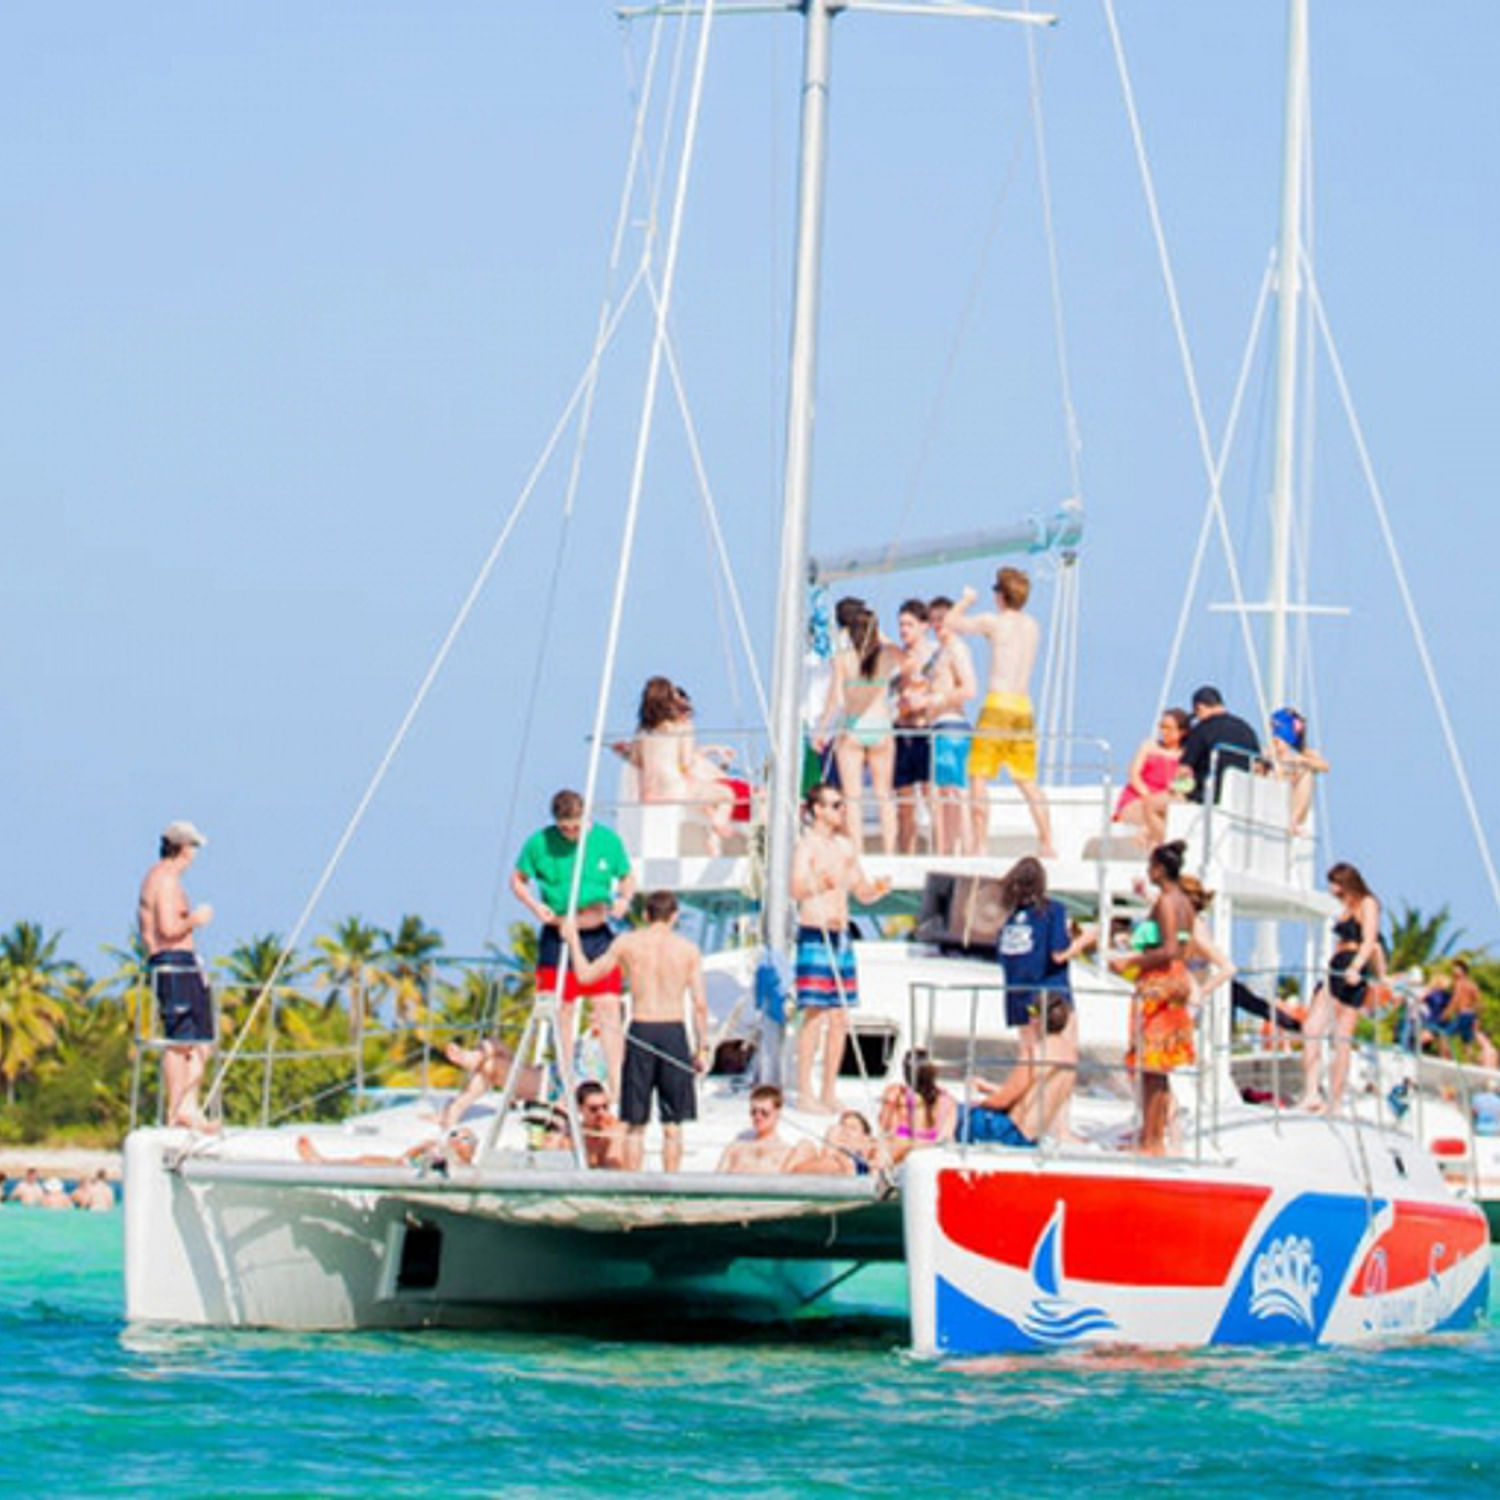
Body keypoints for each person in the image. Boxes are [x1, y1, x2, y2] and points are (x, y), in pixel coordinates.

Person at [563, 889, 709, 1172]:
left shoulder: (628, 943)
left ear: (645, 915)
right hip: (673, 1030)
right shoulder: (687, 950)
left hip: (642, 1028)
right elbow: (700, 1004)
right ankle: (672, 1183)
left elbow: (585, 975)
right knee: (673, 1124)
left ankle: (633, 1181)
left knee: (635, 1123)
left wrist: (573, 943)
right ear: (675, 917)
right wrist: (703, 1047)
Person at [511, 789, 636, 1090]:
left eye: (576, 827)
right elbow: (518, 879)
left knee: (607, 1006)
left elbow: (627, 877)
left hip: (597, 934)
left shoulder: (606, 840)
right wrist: (535, 906)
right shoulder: (540, 843)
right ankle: (565, 1082)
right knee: (561, 1009)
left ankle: (618, 1084)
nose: (571, 833)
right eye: (565, 828)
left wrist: (624, 899)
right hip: (558, 933)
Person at [791, 783, 892, 1111]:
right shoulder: (807, 845)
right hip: (815, 932)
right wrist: (819, 882)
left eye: (842, 805)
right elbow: (795, 887)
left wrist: (876, 889)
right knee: (814, 1014)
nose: (841, 811)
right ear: (817, 809)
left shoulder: (846, 847)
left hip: (841, 934)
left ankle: (828, 1090)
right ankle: (805, 1090)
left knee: (840, 1018)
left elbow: (860, 889)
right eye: (835, 805)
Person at [945, 568, 1054, 858]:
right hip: (1022, 707)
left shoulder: (994, 621)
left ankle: (980, 844)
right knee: (1027, 780)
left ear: (1000, 596)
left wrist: (966, 600)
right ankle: (1047, 841)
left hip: (997, 706)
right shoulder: (1033, 626)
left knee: (978, 776)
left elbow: (950, 622)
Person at [1113, 840, 1196, 1155]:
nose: (1148, 872)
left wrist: (1130, 961)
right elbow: (1184, 950)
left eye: (1150, 866)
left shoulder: (1166, 902)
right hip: (1175, 980)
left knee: (1152, 1068)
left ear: (1160, 869)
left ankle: (1151, 1141)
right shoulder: (1184, 902)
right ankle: (1152, 1138)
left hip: (1160, 983)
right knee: (1157, 1069)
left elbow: (1171, 949)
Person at [138, 819, 217, 1131]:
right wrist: (196, 920)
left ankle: (190, 1107)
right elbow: (168, 929)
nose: (195, 855)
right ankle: (176, 1111)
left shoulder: (165, 878)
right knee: (181, 1039)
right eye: (194, 847)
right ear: (184, 848)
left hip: (184, 961)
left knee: (202, 1040)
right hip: (172, 959)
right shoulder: (165, 880)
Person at [1297, 861, 1386, 1113]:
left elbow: (1370, 941)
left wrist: (1357, 967)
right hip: (1337, 966)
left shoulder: (1367, 903)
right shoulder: (1346, 906)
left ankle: (1333, 1100)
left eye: (1335, 883)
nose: (1332, 889)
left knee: (1338, 1037)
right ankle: (1313, 1092)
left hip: (1350, 966)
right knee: (1314, 1028)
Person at [815, 606, 902, 855]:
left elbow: (833, 700)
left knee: (852, 798)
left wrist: (822, 730)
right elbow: (908, 660)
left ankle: (857, 850)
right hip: (880, 726)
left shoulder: (843, 658)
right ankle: (889, 851)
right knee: (884, 795)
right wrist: (881, 635)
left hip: (853, 727)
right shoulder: (885, 657)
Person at [993, 857, 1086, 1057]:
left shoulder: (1009, 920)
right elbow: (1058, 954)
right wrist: (1086, 940)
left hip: (1018, 999)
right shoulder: (1053, 911)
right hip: (1051, 999)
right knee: (1064, 1058)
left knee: (1029, 1061)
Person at [632, 677, 737, 851]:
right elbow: (686, 763)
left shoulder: (642, 731)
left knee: (704, 802)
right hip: (673, 790)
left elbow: (637, 759)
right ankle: (718, 827)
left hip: (649, 793)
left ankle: (714, 834)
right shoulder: (682, 726)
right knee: (726, 795)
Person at [958, 994, 1077, 1146]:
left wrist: (979, 1104)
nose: (1029, 1018)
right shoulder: (1070, 1055)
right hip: (1032, 1138)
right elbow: (1027, 1094)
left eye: (1032, 1012)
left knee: (952, 1111)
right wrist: (987, 1087)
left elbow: (1003, 1100)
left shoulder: (1035, 1052)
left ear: (1038, 1019)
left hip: (1012, 1132)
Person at [927, 595, 978, 855]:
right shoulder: (939, 652)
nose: (937, 625)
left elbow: (969, 689)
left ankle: (966, 851)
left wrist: (938, 698)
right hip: (939, 726)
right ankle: (946, 851)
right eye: (933, 619)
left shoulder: (957, 649)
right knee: (944, 794)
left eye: (942, 619)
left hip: (952, 726)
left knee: (955, 793)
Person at [891, 599, 936, 853]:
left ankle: (941, 852)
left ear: (923, 626)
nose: (904, 630)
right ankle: (904, 853)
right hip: (901, 732)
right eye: (901, 624)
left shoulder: (933, 656)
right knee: (904, 805)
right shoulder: (898, 658)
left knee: (931, 798)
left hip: (924, 731)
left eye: (909, 624)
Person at [1113, 708, 1191, 849]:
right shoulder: (1149, 746)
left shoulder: (1186, 755)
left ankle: (1151, 840)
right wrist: (1148, 796)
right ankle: (1165, 850)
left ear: (1182, 731)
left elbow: (1184, 784)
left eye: (1168, 728)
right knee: (1155, 815)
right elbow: (1133, 774)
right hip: (1139, 798)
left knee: (1170, 812)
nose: (1163, 732)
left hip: (1165, 801)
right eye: (1162, 727)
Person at [438, 1038, 545, 1132]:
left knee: (492, 1066)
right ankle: (475, 1058)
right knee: (494, 1043)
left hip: (553, 1086)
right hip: (544, 1073)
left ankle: (457, 1106)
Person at [1178, 686, 1261, 804]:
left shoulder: (1201, 730)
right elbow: (1258, 766)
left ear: (1199, 708)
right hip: (1242, 798)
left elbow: (1184, 770)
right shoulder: (1246, 729)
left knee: (1151, 806)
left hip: (1208, 796)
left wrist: (1176, 787)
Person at [878, 1050, 957, 1164]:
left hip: (900, 1155)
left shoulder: (896, 1094)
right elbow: (946, 1138)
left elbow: (885, 1127)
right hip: (930, 1157)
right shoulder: (947, 1100)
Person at [1267, 706, 1329, 836]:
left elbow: (1324, 766)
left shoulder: (1303, 753)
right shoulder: (1272, 749)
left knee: (1306, 772)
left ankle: (1294, 821)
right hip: (1274, 784)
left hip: (1289, 787)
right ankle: (1292, 821)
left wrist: (1301, 761)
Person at [297, 1127, 478, 1170]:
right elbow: (406, 1158)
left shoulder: (464, 1167)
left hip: (407, 1170)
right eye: (454, 1135)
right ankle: (323, 1162)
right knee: (364, 1159)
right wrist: (421, 1147)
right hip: (405, 1166)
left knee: (365, 1161)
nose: (456, 1140)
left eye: (465, 1139)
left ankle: (322, 1162)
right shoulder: (442, 1151)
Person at [717, 1084, 796, 1173]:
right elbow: (716, 1182)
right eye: (753, 1112)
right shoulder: (735, 1149)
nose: (757, 1117)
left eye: (764, 1112)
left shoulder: (787, 1153)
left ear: (778, 1114)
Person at [787, 1110, 885, 1176]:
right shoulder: (834, 1157)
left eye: (852, 1128)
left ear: (865, 1138)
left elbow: (898, 1132)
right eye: (842, 1126)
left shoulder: (873, 1155)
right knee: (805, 1145)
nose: (845, 1131)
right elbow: (797, 1170)